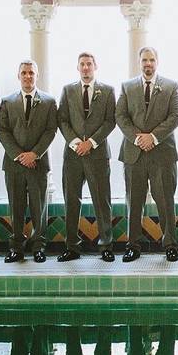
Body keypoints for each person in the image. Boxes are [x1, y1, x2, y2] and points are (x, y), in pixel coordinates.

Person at [117, 46, 178, 262]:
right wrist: (138, 138)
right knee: (134, 202)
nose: (148, 64)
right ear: (139, 62)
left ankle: (170, 244)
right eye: (144, 60)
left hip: (162, 153)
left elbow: (175, 116)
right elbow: (121, 116)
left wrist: (152, 137)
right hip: (134, 153)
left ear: (157, 61)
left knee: (165, 200)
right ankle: (132, 245)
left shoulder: (171, 86)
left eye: (152, 59)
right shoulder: (127, 87)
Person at [57, 52, 116, 262]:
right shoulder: (68, 90)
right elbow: (62, 120)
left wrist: (90, 143)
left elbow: (110, 121)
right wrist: (75, 143)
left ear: (95, 66)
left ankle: (106, 246)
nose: (85, 68)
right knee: (71, 200)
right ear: (77, 67)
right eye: (82, 64)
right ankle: (72, 247)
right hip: (72, 156)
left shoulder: (108, 91)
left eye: (89, 64)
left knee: (102, 201)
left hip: (97, 154)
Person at [0, 60, 58, 263]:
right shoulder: (7, 101)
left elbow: (51, 130)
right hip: (14, 164)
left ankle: (39, 246)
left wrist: (35, 154)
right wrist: (19, 155)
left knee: (39, 206)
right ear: (18, 75)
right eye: (24, 72)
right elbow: (3, 131)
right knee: (16, 206)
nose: (28, 76)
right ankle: (16, 247)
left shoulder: (49, 101)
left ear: (37, 75)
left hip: (38, 164)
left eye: (31, 72)